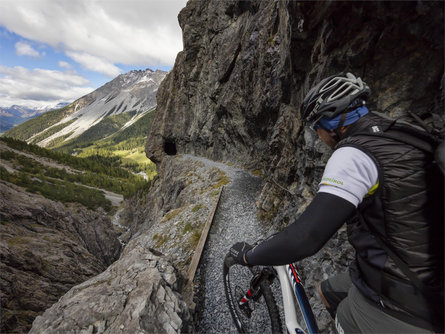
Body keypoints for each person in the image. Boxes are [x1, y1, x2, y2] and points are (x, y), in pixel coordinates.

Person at [229, 73, 444, 333]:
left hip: (406, 297)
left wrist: (248, 256)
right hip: (424, 268)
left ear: (330, 123)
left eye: (315, 127)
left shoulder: (353, 154)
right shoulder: (402, 130)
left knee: (344, 315)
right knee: (326, 291)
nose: (317, 136)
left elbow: (306, 239)